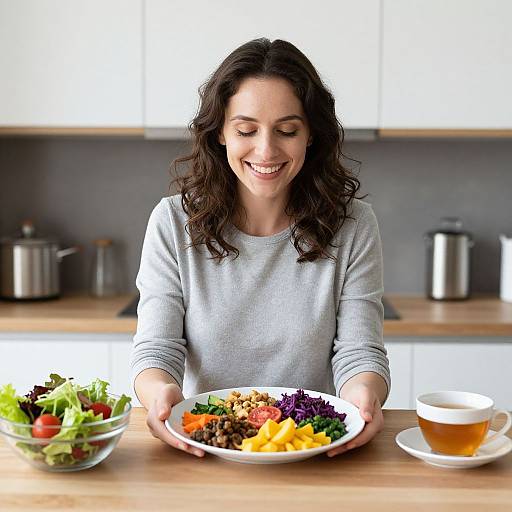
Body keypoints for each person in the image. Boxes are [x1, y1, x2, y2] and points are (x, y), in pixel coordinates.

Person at [131, 38, 390, 458]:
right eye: (246, 130)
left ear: (310, 136)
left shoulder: (354, 225)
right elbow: (157, 348)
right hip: (207, 443)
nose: (266, 150)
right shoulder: (173, 222)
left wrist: (363, 397)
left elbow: (359, 351)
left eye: (287, 130)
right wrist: (160, 394)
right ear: (220, 133)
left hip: (311, 448)